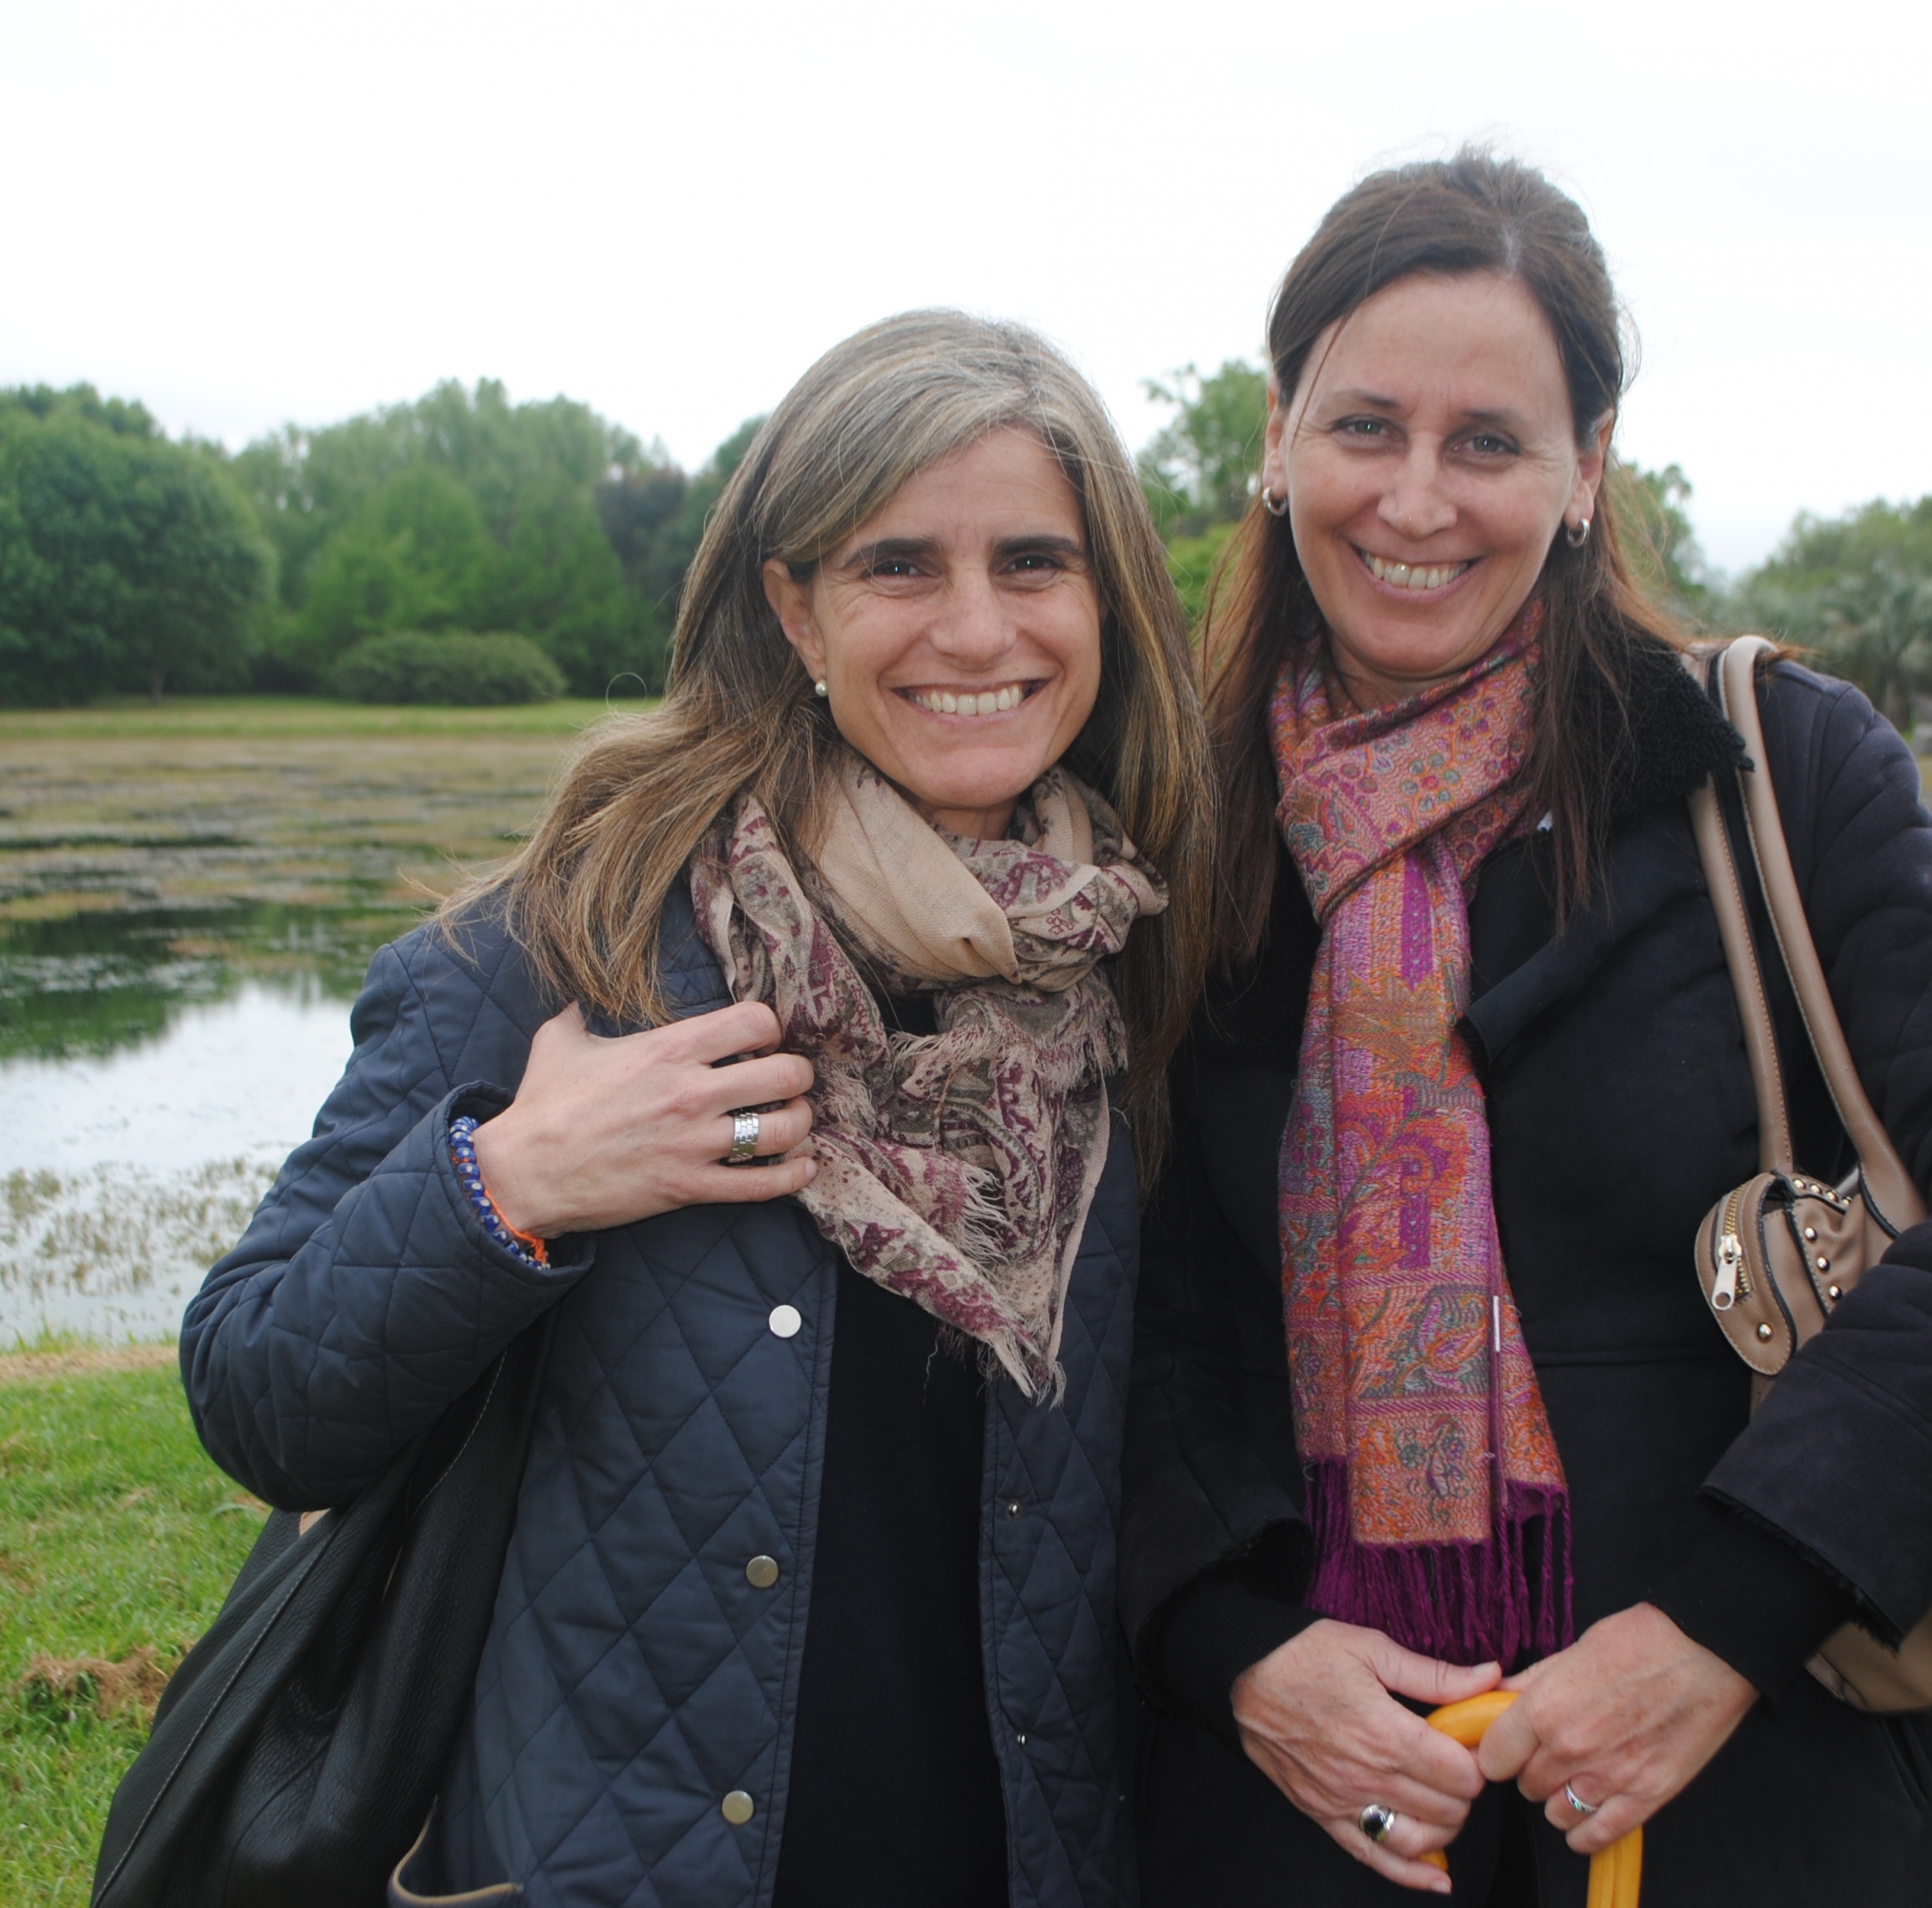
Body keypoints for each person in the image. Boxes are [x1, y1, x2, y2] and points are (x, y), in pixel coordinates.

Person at [1120, 153, 1932, 1904]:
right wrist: (1236, 1648)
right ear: (1275, 436)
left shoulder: (1768, 769)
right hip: (1311, 1812)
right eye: (1364, 426)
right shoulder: (1173, 826)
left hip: (1746, 1784)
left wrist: (1719, 1623)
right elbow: (1122, 1319)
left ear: (1585, 470)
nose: (1414, 498)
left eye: (1489, 441)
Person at [182, 309, 1211, 1907]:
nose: (974, 625)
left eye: (1032, 561)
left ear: (1107, 600)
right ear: (791, 605)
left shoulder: (1136, 968)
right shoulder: (565, 943)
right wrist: (508, 1183)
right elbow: (258, 1393)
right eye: (896, 566)